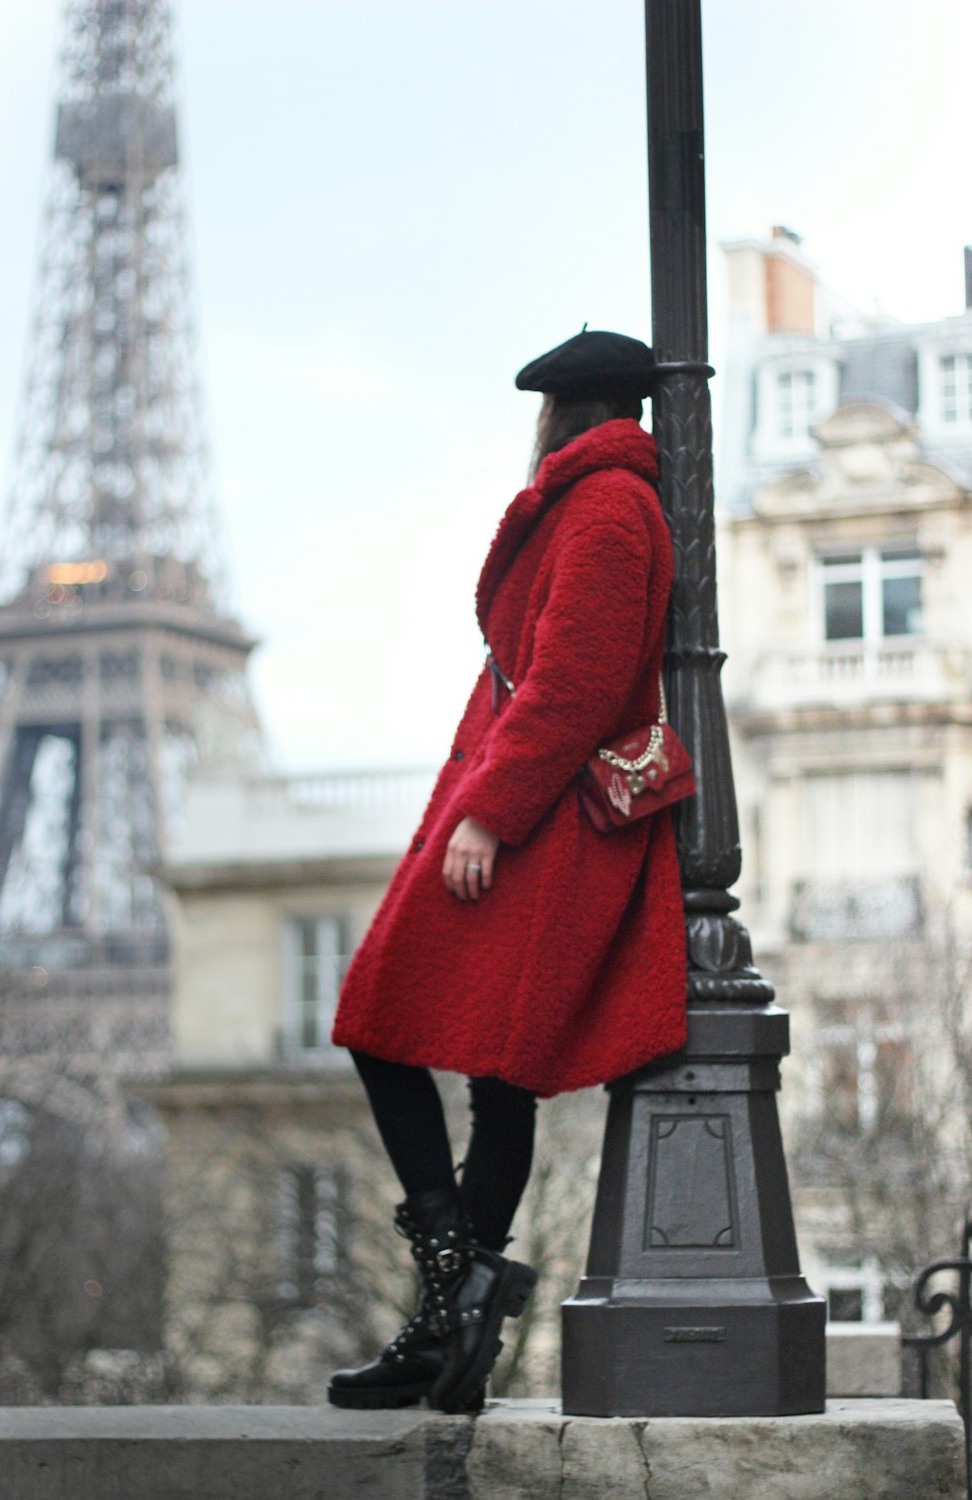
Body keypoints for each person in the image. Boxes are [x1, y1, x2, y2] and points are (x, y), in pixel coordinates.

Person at [328, 328, 688, 1414]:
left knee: (380, 1021)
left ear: (558, 416)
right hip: (537, 814)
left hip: (537, 825)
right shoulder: (608, 502)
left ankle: (455, 1295)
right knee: (495, 1074)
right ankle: (453, 1325)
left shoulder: (606, 507)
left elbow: (573, 683)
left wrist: (486, 814)